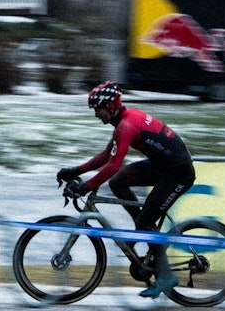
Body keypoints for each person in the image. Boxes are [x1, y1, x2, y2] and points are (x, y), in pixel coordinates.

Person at [56, 80, 195, 298]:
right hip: (164, 166)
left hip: (178, 173)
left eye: (98, 110)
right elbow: (105, 155)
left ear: (110, 106)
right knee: (118, 182)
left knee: (145, 219)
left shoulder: (126, 125)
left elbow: (112, 165)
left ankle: (165, 275)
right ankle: (143, 229)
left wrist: (85, 187)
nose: (96, 115)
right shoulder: (123, 121)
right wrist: (75, 171)